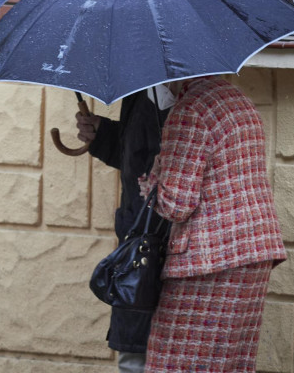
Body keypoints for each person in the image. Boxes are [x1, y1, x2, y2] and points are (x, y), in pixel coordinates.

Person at [138, 76, 286, 373]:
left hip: (207, 260)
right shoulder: (235, 98)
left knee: (175, 362)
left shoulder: (188, 110)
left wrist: (152, 182)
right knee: (231, 363)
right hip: (254, 252)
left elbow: (177, 204)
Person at [76, 86, 173, 373]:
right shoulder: (140, 90)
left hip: (172, 243)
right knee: (134, 355)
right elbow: (134, 153)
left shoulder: (190, 92)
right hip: (137, 244)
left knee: (169, 352)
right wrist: (101, 133)